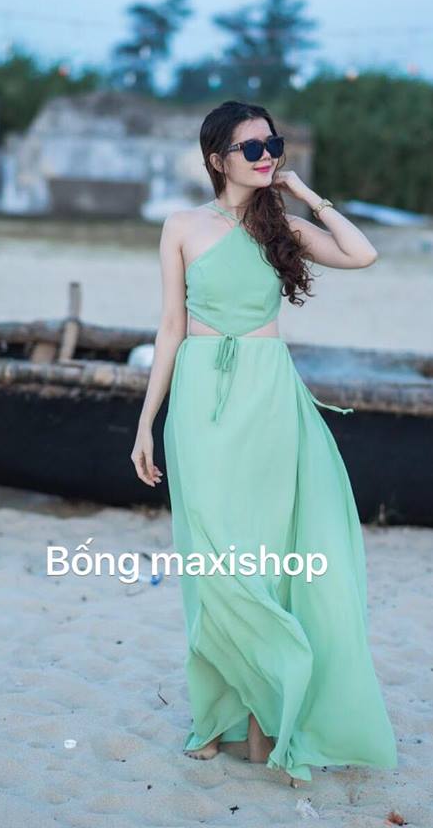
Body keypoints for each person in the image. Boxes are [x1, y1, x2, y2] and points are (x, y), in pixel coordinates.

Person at [131, 100, 398, 786]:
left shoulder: (285, 226)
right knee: (213, 558)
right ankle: (219, 715)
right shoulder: (182, 225)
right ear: (216, 158)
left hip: (271, 398)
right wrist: (146, 422)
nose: (266, 156)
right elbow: (169, 326)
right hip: (201, 399)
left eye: (272, 144)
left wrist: (305, 193)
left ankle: (261, 720)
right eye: (250, 148)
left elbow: (362, 254)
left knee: (268, 556)